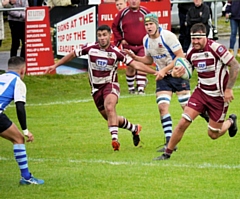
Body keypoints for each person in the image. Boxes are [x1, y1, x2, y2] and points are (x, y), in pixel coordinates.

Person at [45, 25, 161, 151]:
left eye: (105, 35)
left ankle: (115, 140)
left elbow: (136, 64)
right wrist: (56, 65)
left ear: (110, 35)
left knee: (110, 107)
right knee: (111, 117)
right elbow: (73, 54)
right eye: (100, 35)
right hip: (95, 89)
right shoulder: (90, 48)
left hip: (110, 85)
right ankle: (134, 128)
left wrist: (154, 72)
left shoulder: (116, 52)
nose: (102, 38)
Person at [155, 23, 239, 161]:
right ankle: (167, 153)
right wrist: (177, 73)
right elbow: (186, 70)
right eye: (193, 38)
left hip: (218, 96)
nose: (195, 42)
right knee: (183, 122)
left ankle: (230, 121)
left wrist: (229, 89)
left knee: (213, 134)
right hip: (201, 93)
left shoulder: (216, 48)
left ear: (205, 37)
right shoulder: (192, 53)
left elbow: (235, 65)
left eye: (198, 38)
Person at [125, 13, 191, 152]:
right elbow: (149, 60)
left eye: (151, 24)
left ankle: (213, 119)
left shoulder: (168, 36)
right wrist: (135, 57)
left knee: (188, 110)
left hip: (177, 74)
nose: (149, 27)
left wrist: (164, 70)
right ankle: (169, 142)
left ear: (157, 24)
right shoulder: (146, 40)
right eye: (146, 25)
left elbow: (180, 56)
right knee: (162, 108)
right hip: (164, 79)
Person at [0, 56, 44, 185]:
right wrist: (25, 130)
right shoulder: (18, 82)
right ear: (22, 70)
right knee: (18, 139)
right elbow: (20, 107)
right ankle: (26, 177)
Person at [112, 0, 150, 95]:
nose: (133, 1)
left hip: (142, 45)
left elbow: (154, 25)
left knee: (142, 65)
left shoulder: (146, 12)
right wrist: (120, 39)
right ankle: (131, 89)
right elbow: (114, 27)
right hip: (128, 46)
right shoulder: (123, 13)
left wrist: (151, 38)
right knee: (130, 66)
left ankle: (141, 89)